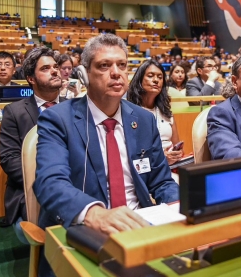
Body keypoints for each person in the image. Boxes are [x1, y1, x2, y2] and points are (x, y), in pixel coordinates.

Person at [33, 34, 179, 277]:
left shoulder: (143, 120)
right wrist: (94, 213)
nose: (116, 72)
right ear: (85, 73)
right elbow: (50, 183)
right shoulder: (58, 119)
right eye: (104, 65)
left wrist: (178, 206)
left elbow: (161, 181)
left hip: (139, 227)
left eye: (122, 65)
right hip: (85, 231)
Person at [0, 48, 65, 242]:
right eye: (45, 68)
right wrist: (51, 179)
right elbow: (9, 160)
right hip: (31, 190)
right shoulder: (14, 112)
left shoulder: (77, 107)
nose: (54, 71)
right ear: (31, 79)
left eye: (56, 67)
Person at [127, 60, 182, 165]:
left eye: (160, 77)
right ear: (139, 80)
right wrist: (160, 158)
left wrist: (176, 154)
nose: (156, 80)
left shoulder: (166, 112)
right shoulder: (128, 111)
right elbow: (130, 153)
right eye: (150, 76)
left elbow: (177, 146)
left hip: (171, 166)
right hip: (146, 169)